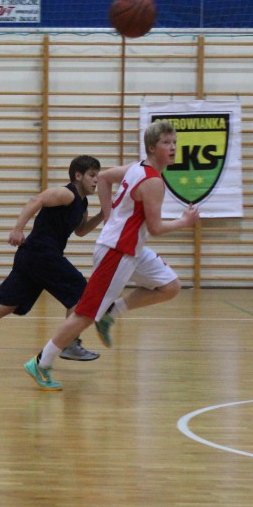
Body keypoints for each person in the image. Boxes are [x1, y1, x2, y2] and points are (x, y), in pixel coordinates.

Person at [24, 120, 199, 390]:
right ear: (153, 148)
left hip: (131, 249)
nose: (173, 147)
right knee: (84, 314)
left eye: (174, 142)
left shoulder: (136, 168)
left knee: (170, 286)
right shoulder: (153, 182)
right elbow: (155, 228)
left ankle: (111, 312)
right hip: (117, 253)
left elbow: (104, 178)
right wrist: (184, 222)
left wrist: (110, 216)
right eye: (166, 143)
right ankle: (41, 362)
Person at [0, 155, 105, 370]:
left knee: (6, 304)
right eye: (92, 175)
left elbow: (81, 230)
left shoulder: (82, 204)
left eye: (97, 176)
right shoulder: (66, 193)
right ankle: (69, 343)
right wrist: (18, 229)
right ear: (78, 176)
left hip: (33, 257)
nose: (96, 180)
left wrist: (103, 214)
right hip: (42, 253)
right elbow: (35, 200)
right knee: (81, 292)